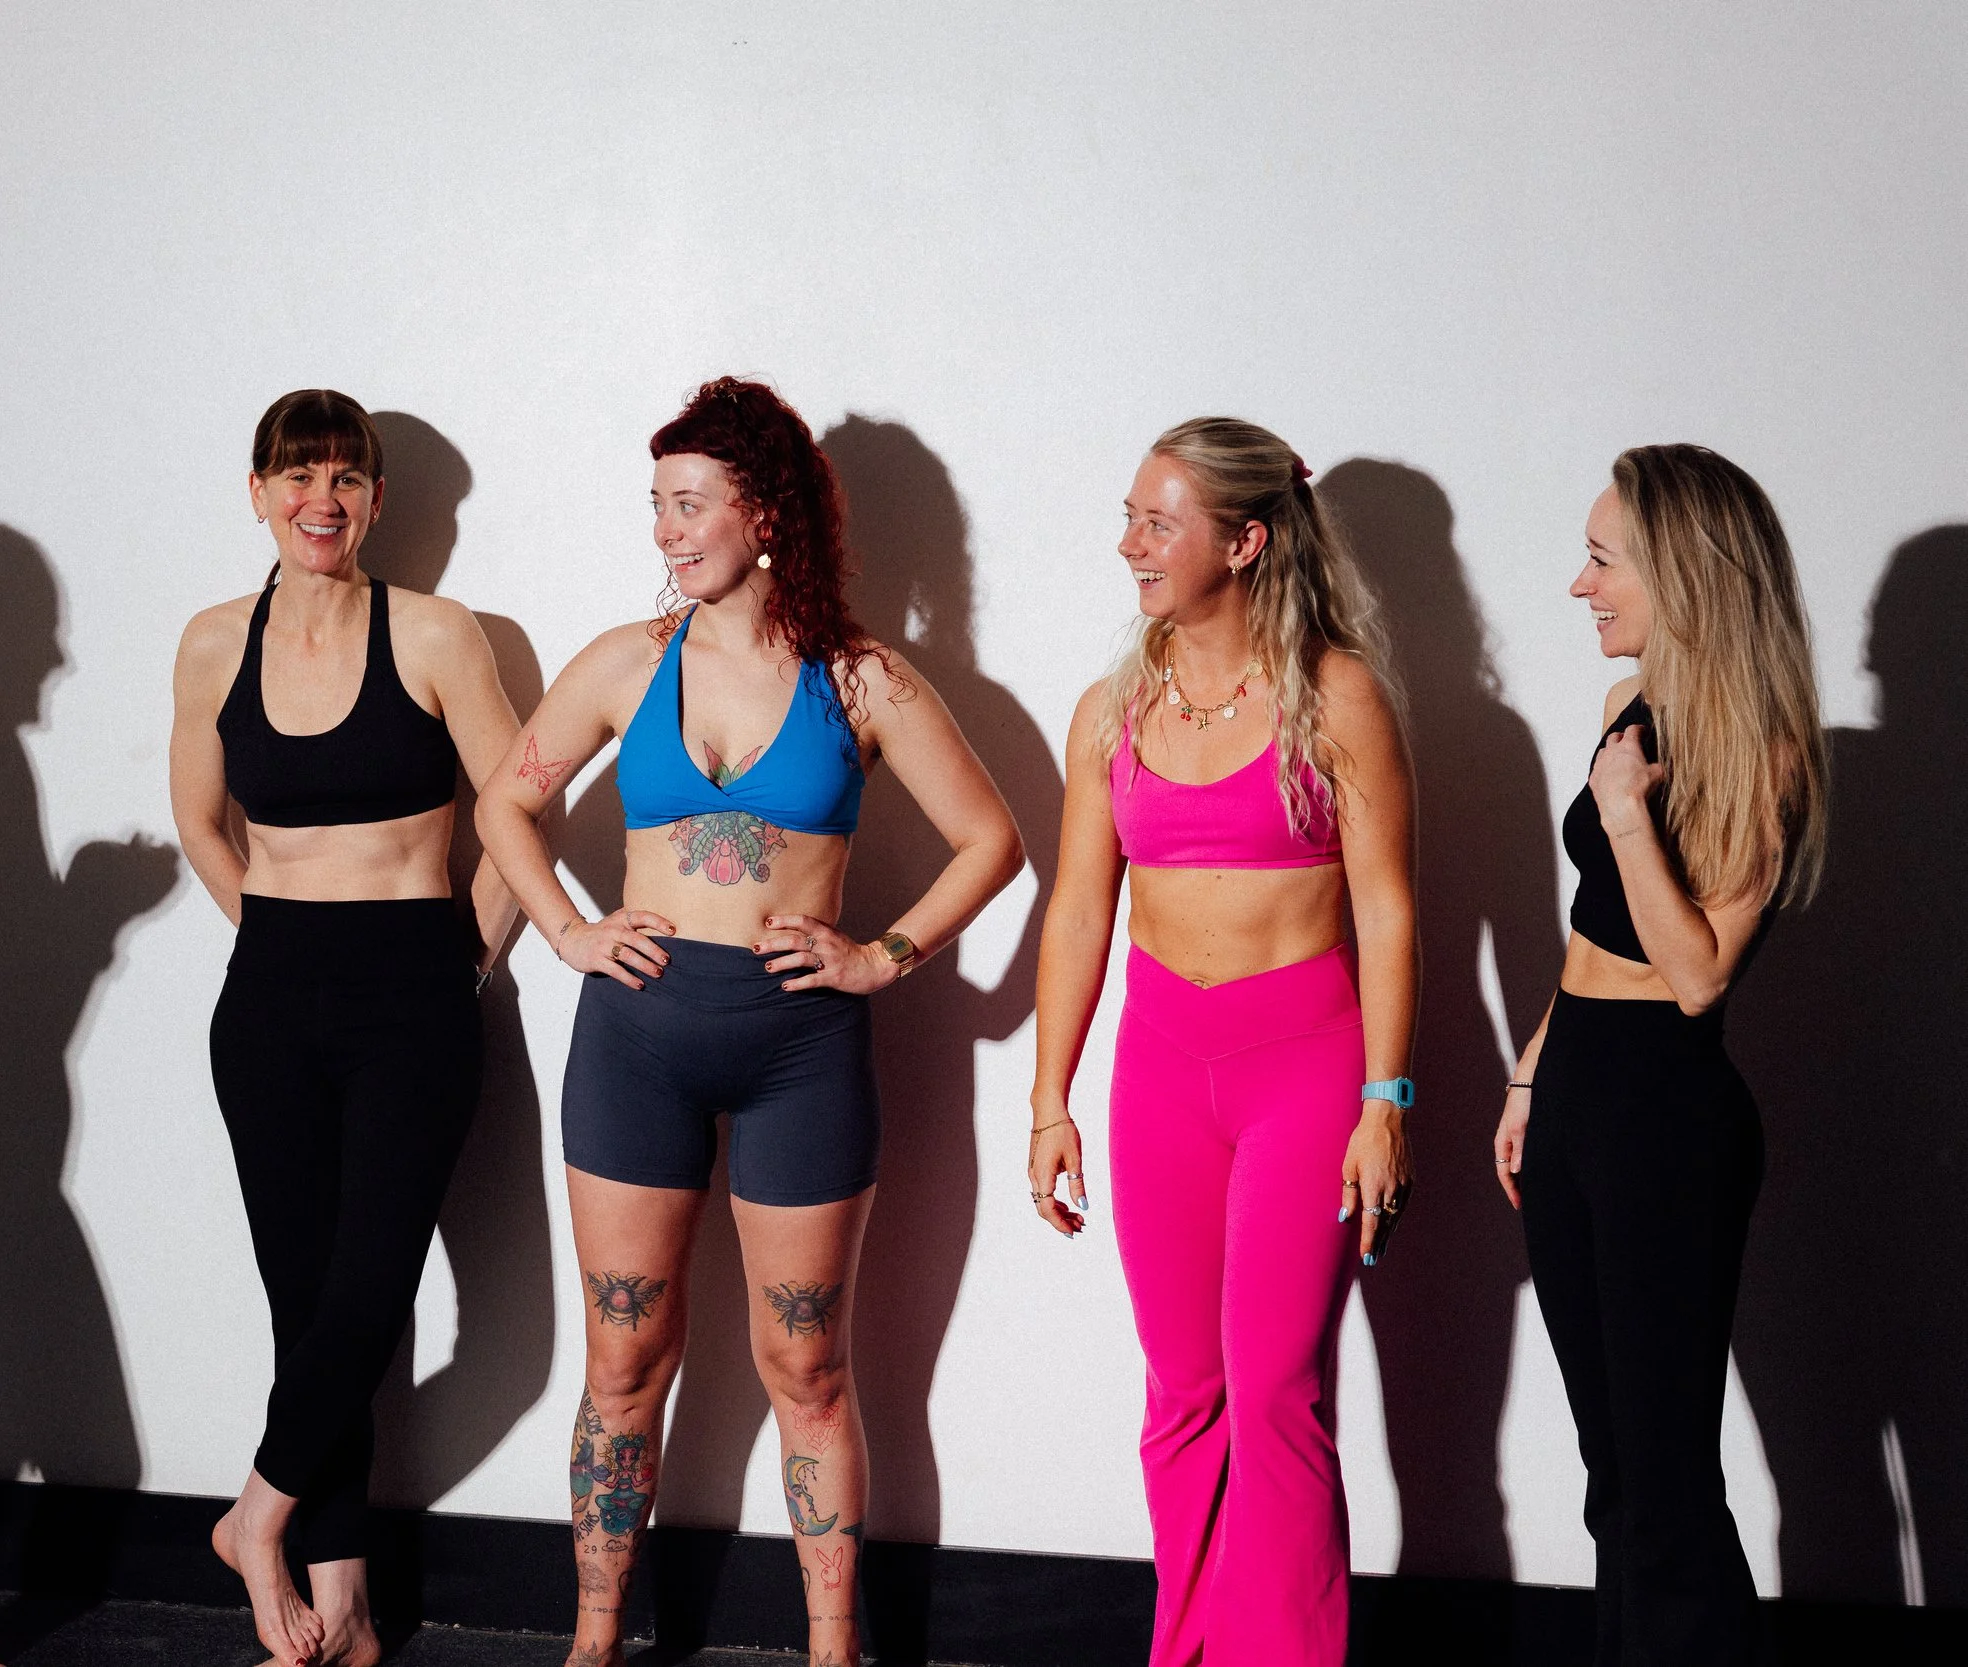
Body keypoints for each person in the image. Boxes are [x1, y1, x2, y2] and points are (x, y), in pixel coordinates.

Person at [475, 377, 1021, 1667]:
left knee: (808, 1368)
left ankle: (835, 1648)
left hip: (798, 1049)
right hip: (635, 1041)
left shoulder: (863, 676)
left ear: (764, 508)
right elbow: (508, 806)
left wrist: (882, 955)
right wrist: (567, 932)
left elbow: (990, 839)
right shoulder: (626, 659)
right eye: (655, 506)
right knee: (623, 1359)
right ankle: (594, 1638)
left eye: (687, 504)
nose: (664, 530)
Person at [1027, 417, 1415, 1666]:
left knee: (1276, 1392)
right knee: (1182, 1391)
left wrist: (1385, 1099)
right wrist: (1050, 1098)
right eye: (1131, 514)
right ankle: (1184, 1649)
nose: (1129, 542)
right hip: (1159, 1071)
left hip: (1300, 1065)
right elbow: (1081, 906)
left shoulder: (1335, 691)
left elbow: (1391, 909)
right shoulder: (1111, 709)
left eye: (1159, 521)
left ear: (1244, 542)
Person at [170, 390, 524, 1667]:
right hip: (270, 997)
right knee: (305, 1305)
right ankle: (345, 1614)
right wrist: (269, 927)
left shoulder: (434, 633)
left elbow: (516, 810)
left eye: (346, 475)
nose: (321, 496)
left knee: (370, 1286)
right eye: (296, 473)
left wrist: (462, 955)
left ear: (376, 499)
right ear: (256, 491)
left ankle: (253, 1517)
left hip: (414, 986)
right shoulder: (214, 640)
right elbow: (203, 822)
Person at [1493, 445, 1827, 1664]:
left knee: (1669, 1478)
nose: (1580, 585)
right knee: (1612, 1471)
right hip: (1580, 1079)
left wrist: (1627, 810)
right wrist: (1532, 1068)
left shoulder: (1763, 753)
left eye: (1601, 558)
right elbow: (1597, 931)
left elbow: (1693, 975)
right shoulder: (1621, 714)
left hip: (1666, 1118)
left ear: (1681, 577)